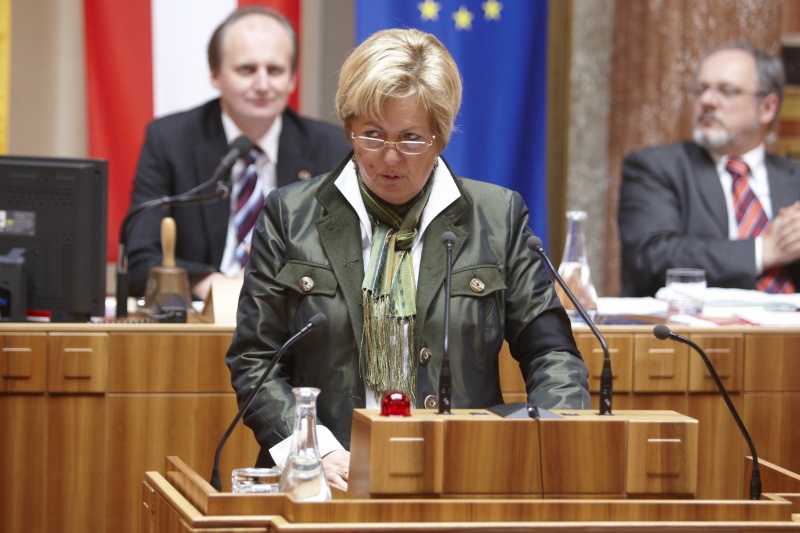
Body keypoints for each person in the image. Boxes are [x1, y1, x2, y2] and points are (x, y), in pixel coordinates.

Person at [226, 28, 590, 491]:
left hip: (461, 475)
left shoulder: (496, 217)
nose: (389, 157)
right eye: (372, 135)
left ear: (441, 137)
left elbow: (551, 353)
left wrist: (551, 439)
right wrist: (313, 449)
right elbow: (255, 358)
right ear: (349, 129)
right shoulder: (290, 215)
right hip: (328, 479)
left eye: (411, 138)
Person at [125, 6, 351, 300]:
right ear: (215, 75)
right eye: (247, 69)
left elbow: (349, 257)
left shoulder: (331, 146)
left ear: (292, 79)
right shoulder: (170, 140)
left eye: (275, 70)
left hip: (294, 313)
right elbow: (141, 258)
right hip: (203, 313)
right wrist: (210, 285)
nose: (262, 85)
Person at [619, 42, 800, 297]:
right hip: (695, 321)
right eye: (700, 89)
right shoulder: (655, 168)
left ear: (767, 107)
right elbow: (651, 258)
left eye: (727, 91)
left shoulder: (794, 179)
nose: (707, 101)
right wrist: (764, 250)